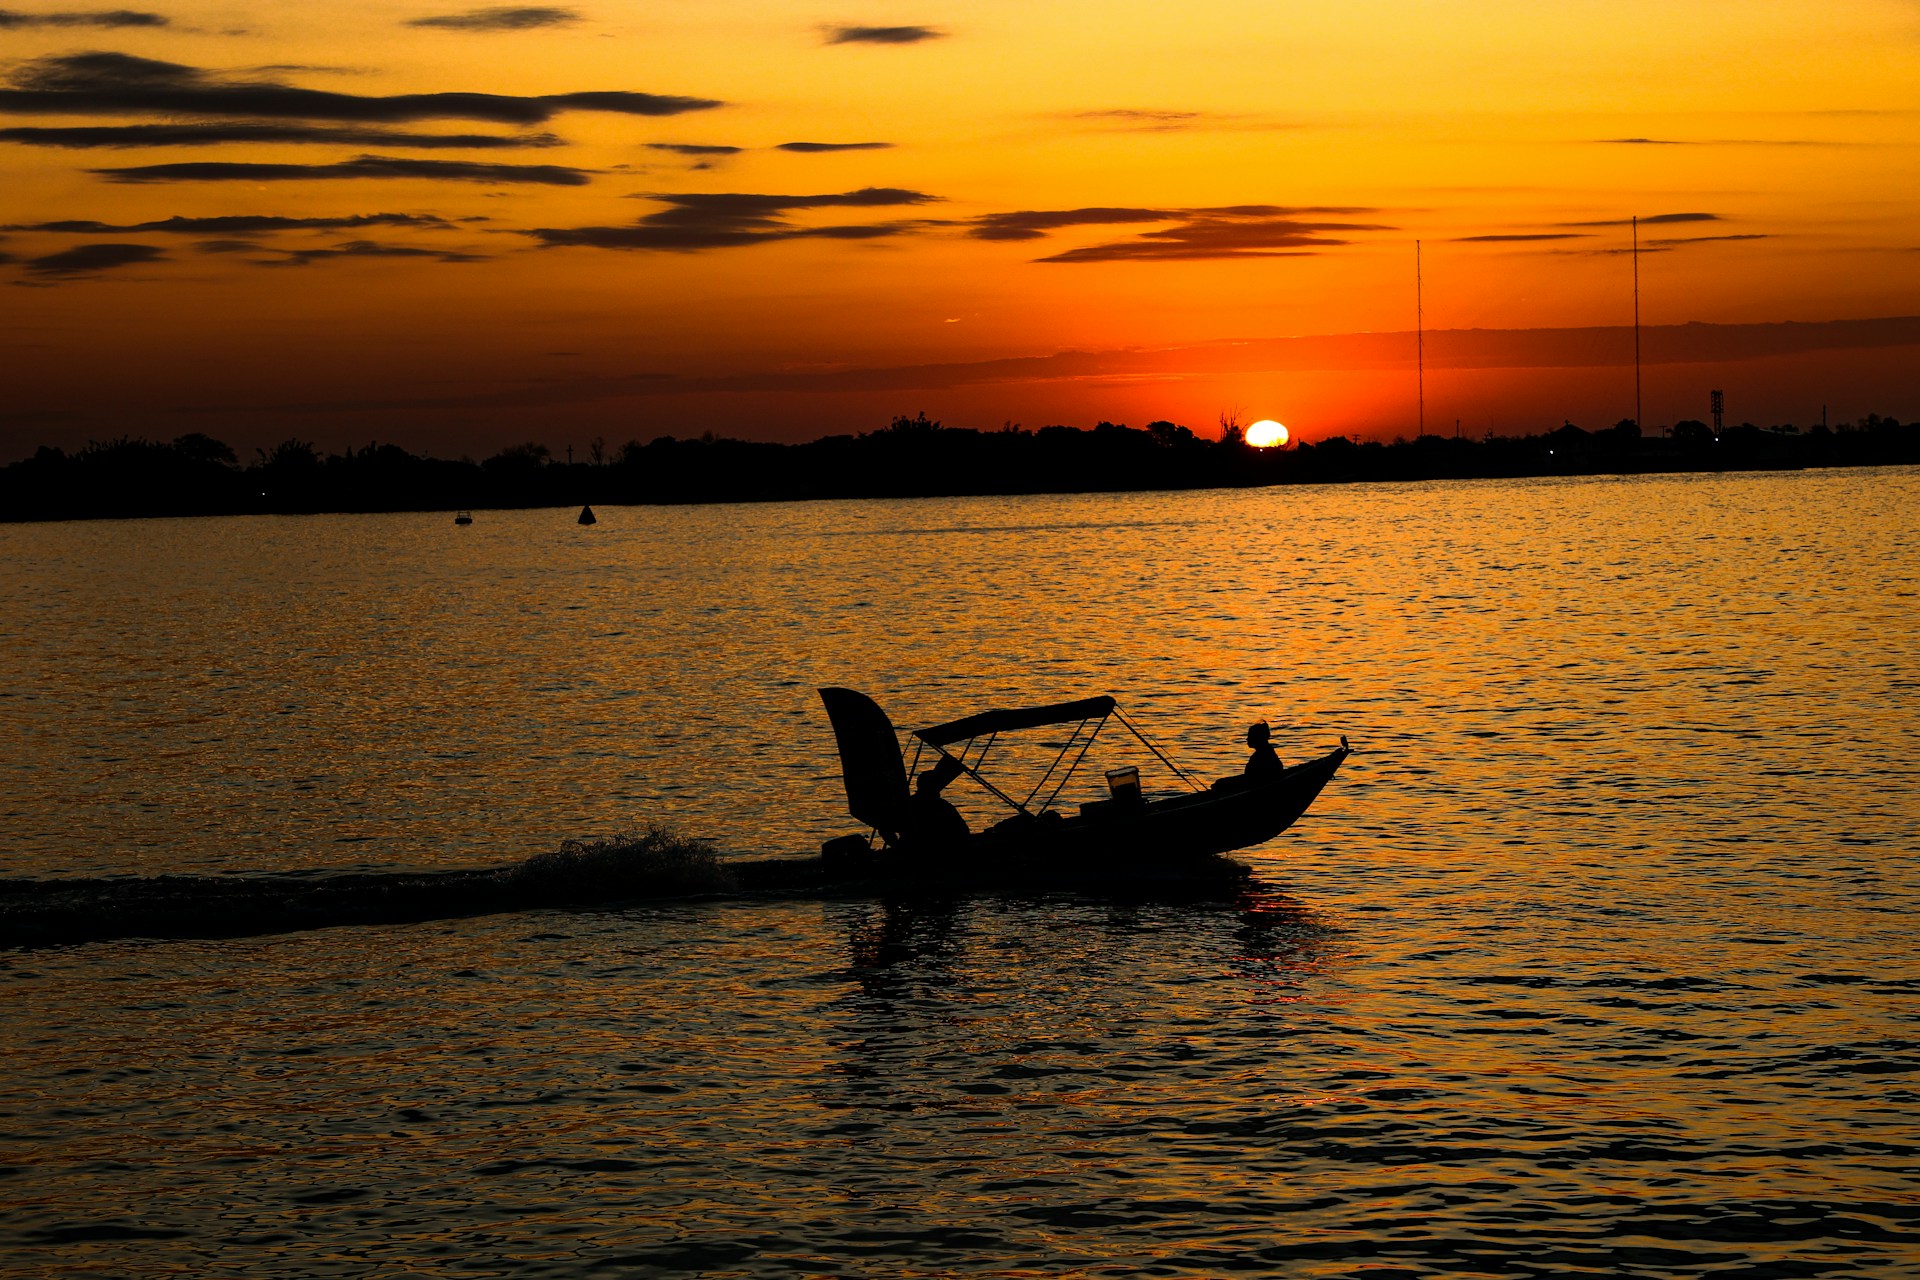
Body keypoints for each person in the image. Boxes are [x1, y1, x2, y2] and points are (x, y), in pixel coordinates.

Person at [902, 753, 970, 851]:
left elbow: (886, 829)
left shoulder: (907, 804)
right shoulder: (942, 807)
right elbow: (963, 831)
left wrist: (898, 847)